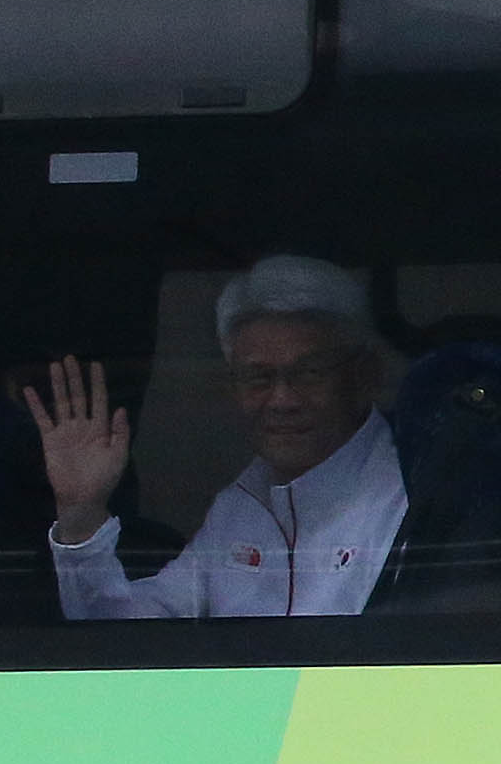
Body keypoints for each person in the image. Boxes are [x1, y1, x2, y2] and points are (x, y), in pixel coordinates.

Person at [25, 254, 408, 619]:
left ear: (364, 376)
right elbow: (133, 634)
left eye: (309, 373)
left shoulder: (413, 491)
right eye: (258, 377)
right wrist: (82, 515)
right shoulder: (240, 506)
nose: (282, 399)